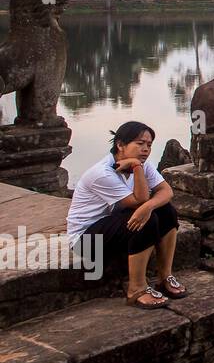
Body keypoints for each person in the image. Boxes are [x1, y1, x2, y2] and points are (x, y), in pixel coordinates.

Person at [66, 121, 187, 309]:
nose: (146, 149)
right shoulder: (102, 173)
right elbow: (139, 200)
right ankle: (136, 289)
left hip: (114, 230)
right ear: (120, 145)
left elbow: (166, 191)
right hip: (88, 242)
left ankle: (164, 276)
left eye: (149, 145)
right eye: (140, 144)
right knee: (146, 220)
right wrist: (137, 169)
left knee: (167, 211)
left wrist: (149, 205)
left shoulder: (142, 164)